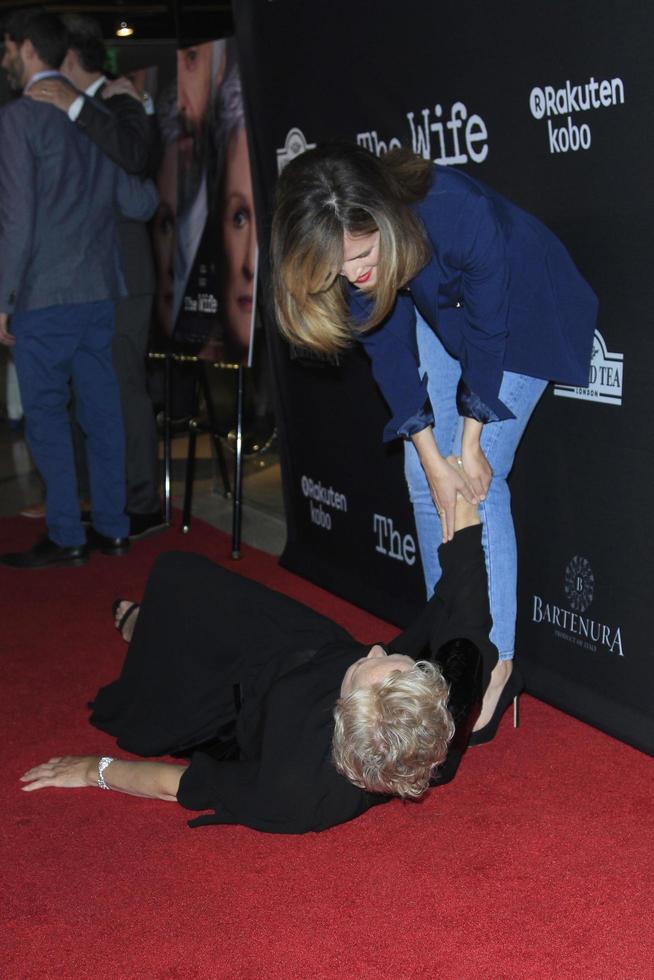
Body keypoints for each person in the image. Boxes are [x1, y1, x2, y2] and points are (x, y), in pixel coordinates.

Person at [271, 143, 598, 731]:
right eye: (337, 268)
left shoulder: (455, 210)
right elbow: (386, 348)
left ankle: (492, 663)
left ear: (385, 219)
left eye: (362, 255)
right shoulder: (345, 249)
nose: (352, 274)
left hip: (519, 309)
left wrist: (468, 444)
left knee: (474, 481)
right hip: (436, 300)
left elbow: (489, 328)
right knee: (427, 478)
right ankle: (452, 638)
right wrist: (430, 453)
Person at [20, 462, 502, 834]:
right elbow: (467, 586)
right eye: (398, 665)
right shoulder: (442, 705)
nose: (375, 648)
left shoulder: (293, 791)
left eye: (368, 666)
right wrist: (457, 484)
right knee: (178, 571)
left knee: (172, 596)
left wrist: (91, 770)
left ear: (338, 717)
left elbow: (177, 787)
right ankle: (152, 624)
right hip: (308, 647)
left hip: (251, 703)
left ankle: (147, 630)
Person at [0, 9, 158, 569]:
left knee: (46, 414)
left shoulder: (18, 120)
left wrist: (5, 299)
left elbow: (16, 220)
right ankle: (113, 529)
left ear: (23, 49)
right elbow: (139, 203)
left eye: (6, 50)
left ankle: (67, 535)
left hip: (43, 295)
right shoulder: (93, 113)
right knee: (103, 412)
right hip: (100, 292)